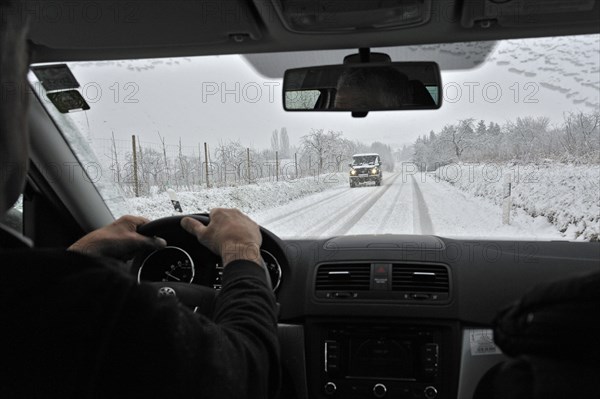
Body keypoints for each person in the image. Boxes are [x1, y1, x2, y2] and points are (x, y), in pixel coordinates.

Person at [0, 1, 280, 398]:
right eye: (17, 77)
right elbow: (248, 372)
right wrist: (240, 250)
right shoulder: (73, 307)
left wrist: (77, 258)